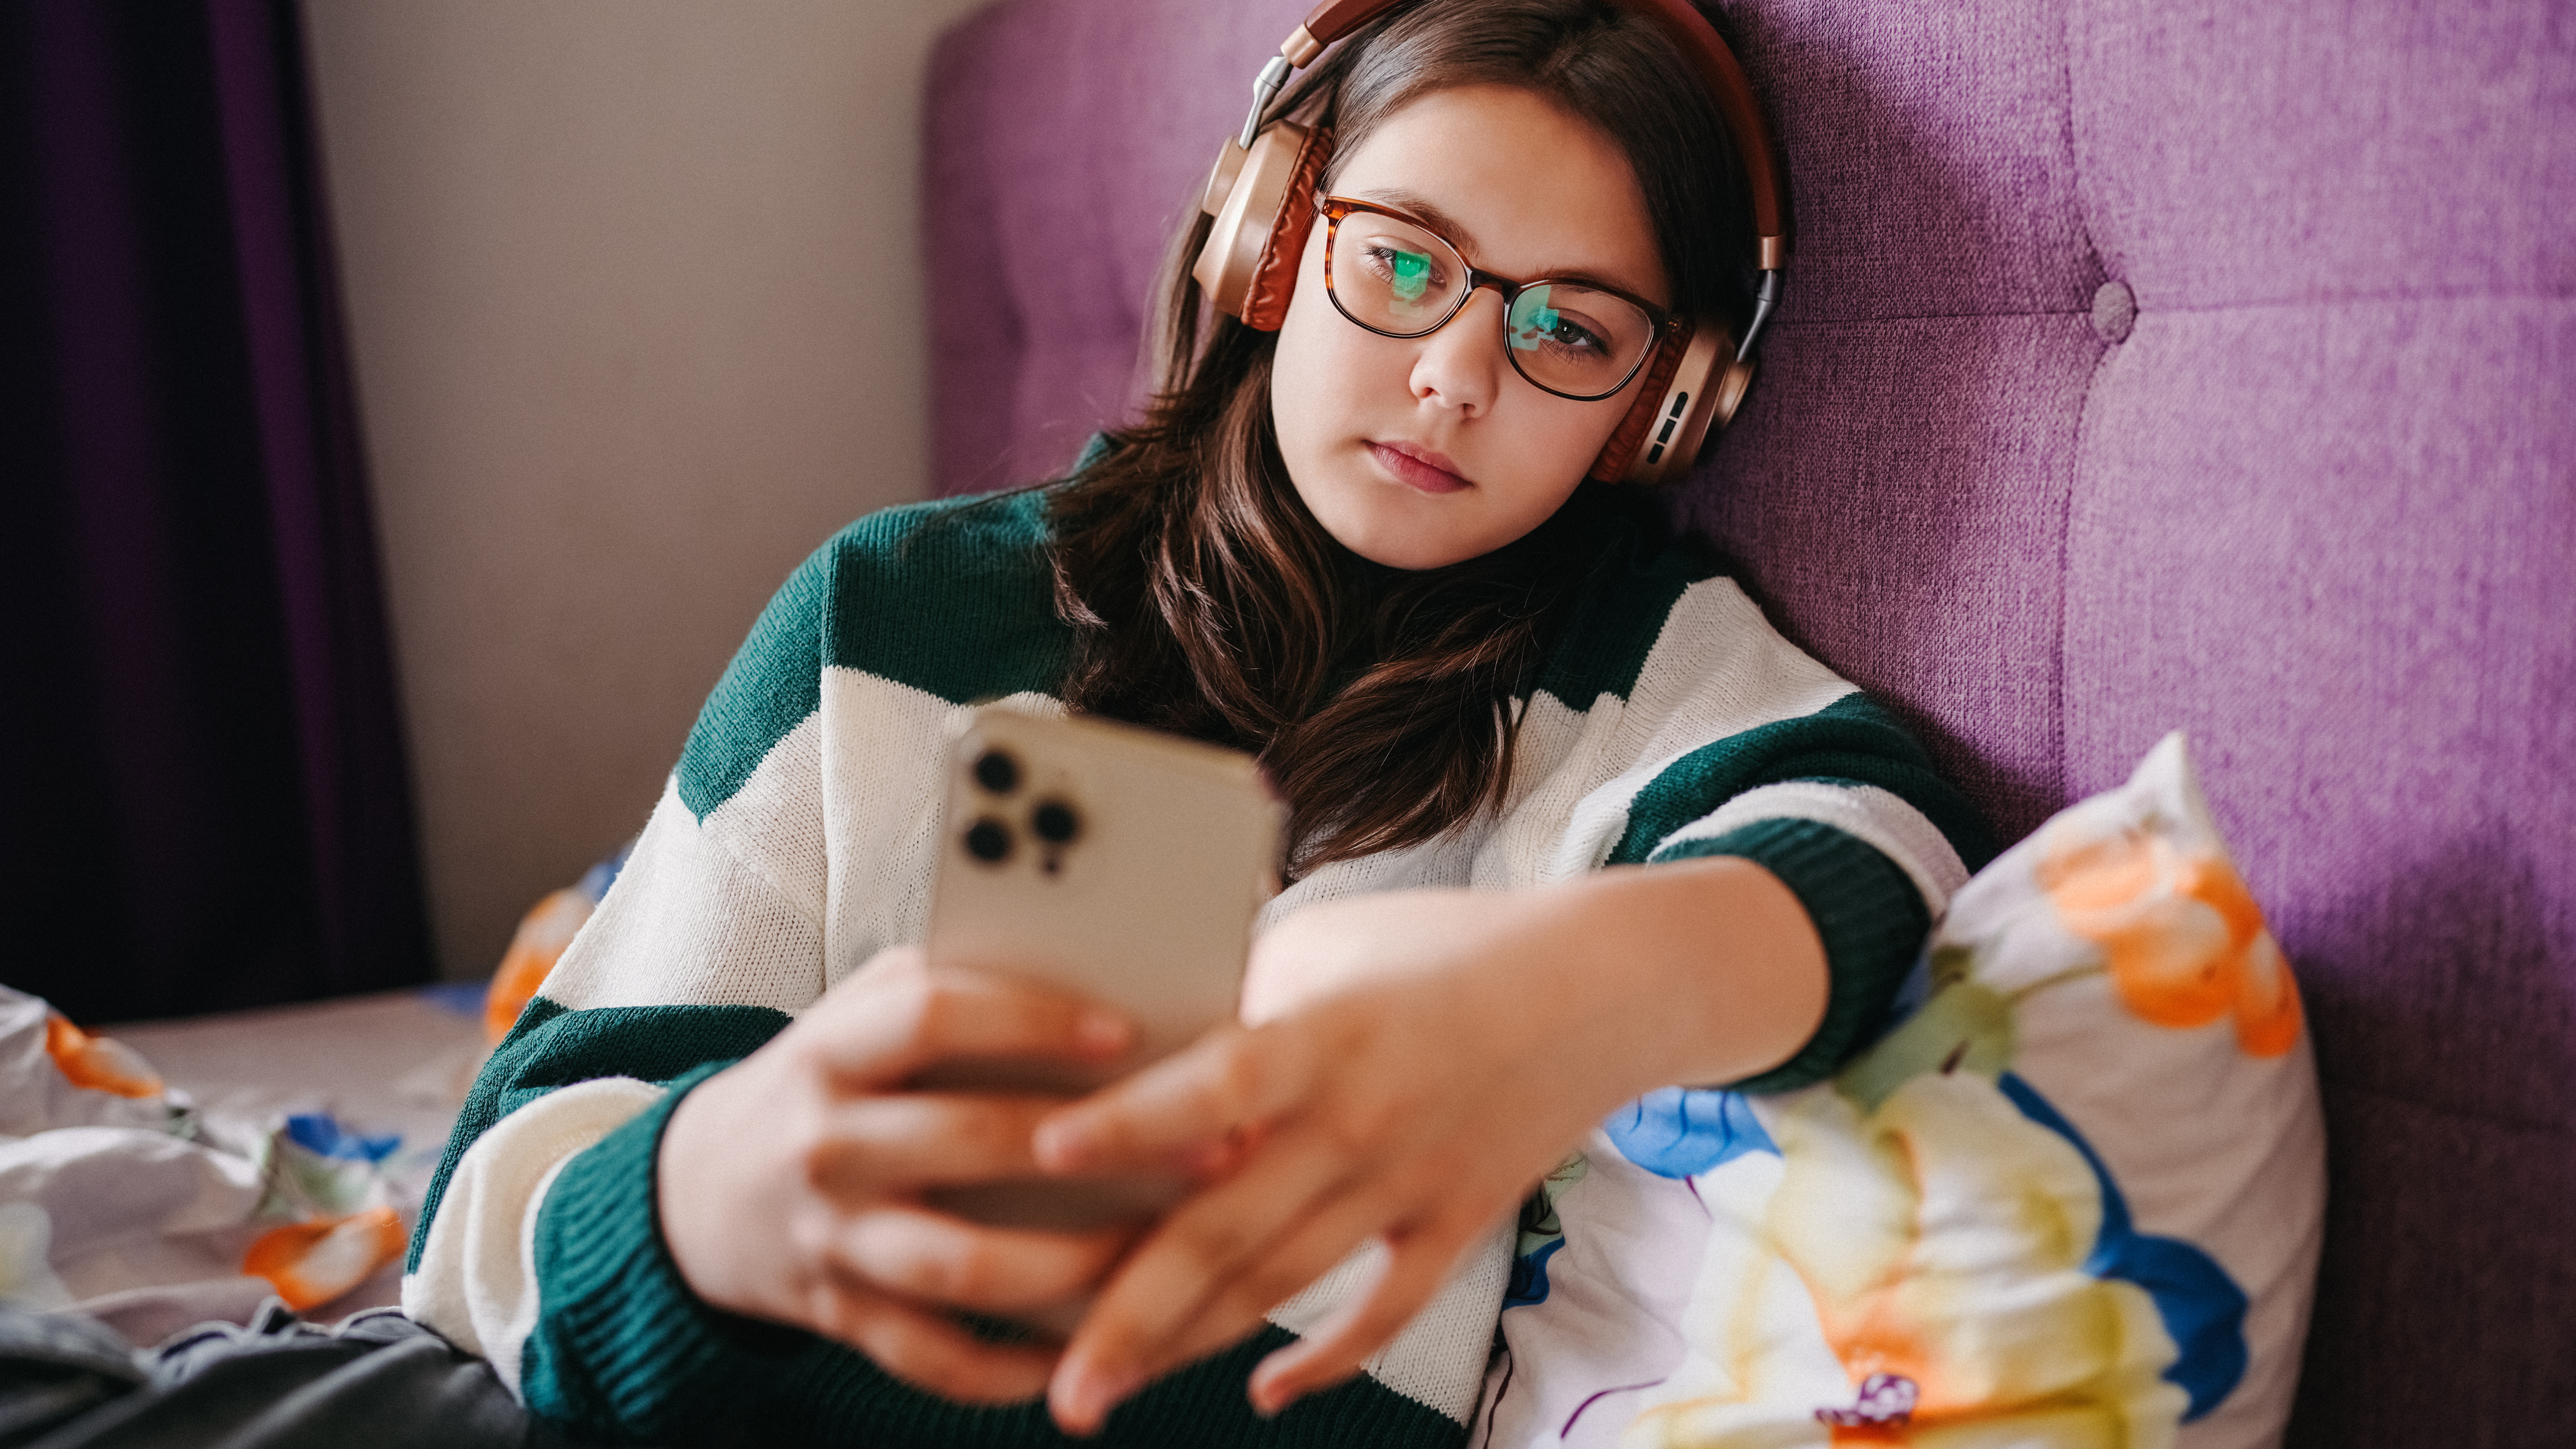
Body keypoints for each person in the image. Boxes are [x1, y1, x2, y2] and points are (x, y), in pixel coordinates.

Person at [402, 2, 1985, 1445]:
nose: (1452, 377)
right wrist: (705, 1202)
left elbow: (1873, 831)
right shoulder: (895, 614)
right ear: (1270, 238)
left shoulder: (1635, 673)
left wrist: (1553, 1000)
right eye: (1405, 260)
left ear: (1667, 406)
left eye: (1570, 330)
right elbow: (493, 1205)